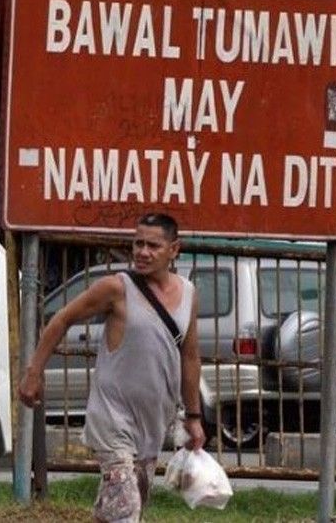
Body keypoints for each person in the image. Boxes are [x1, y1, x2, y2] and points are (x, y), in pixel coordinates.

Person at [19, 213, 206, 522]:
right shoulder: (116, 288)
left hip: (152, 422)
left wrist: (195, 417)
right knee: (126, 508)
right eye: (138, 244)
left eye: (153, 246)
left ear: (174, 249)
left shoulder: (188, 294)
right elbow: (62, 318)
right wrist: (33, 373)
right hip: (112, 419)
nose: (143, 252)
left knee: (123, 508)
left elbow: (190, 357)